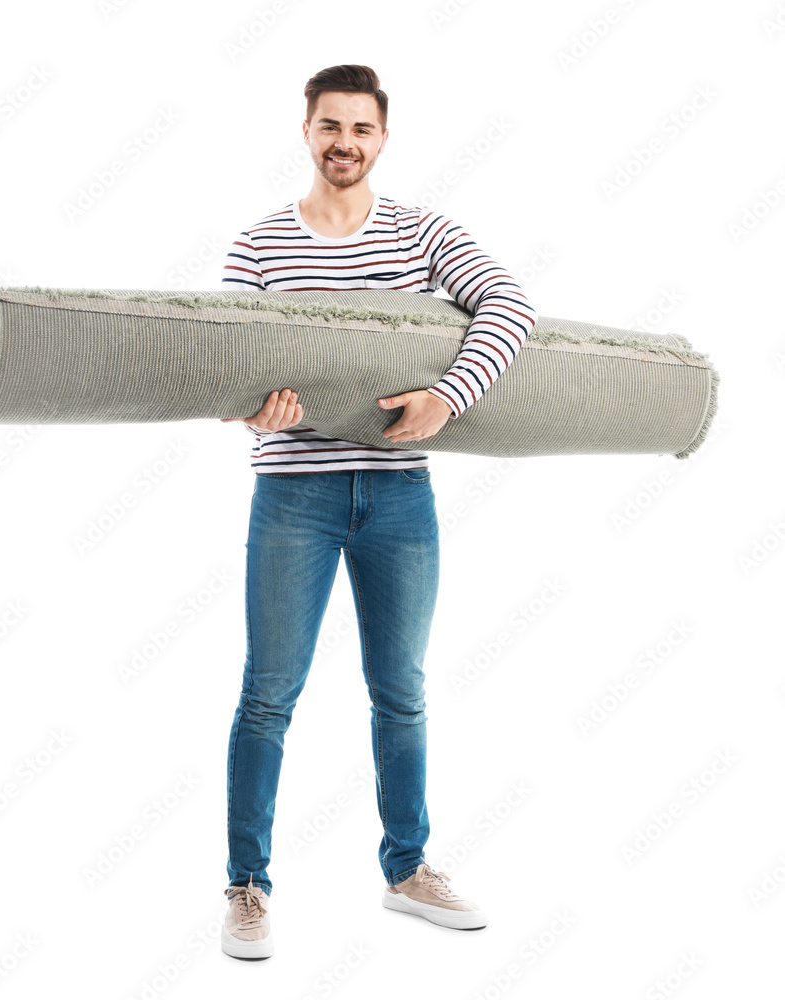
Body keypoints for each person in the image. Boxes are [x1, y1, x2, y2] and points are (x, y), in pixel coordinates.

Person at [217, 64, 537, 960]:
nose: (345, 142)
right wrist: (249, 404)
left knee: (401, 693)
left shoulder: (422, 232)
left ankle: (408, 869)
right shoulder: (259, 246)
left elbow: (508, 304)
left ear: (383, 138)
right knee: (268, 694)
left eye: (361, 128)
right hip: (293, 493)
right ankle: (247, 884)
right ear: (307, 131)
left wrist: (448, 395)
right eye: (330, 126)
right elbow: (222, 359)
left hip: (399, 491)